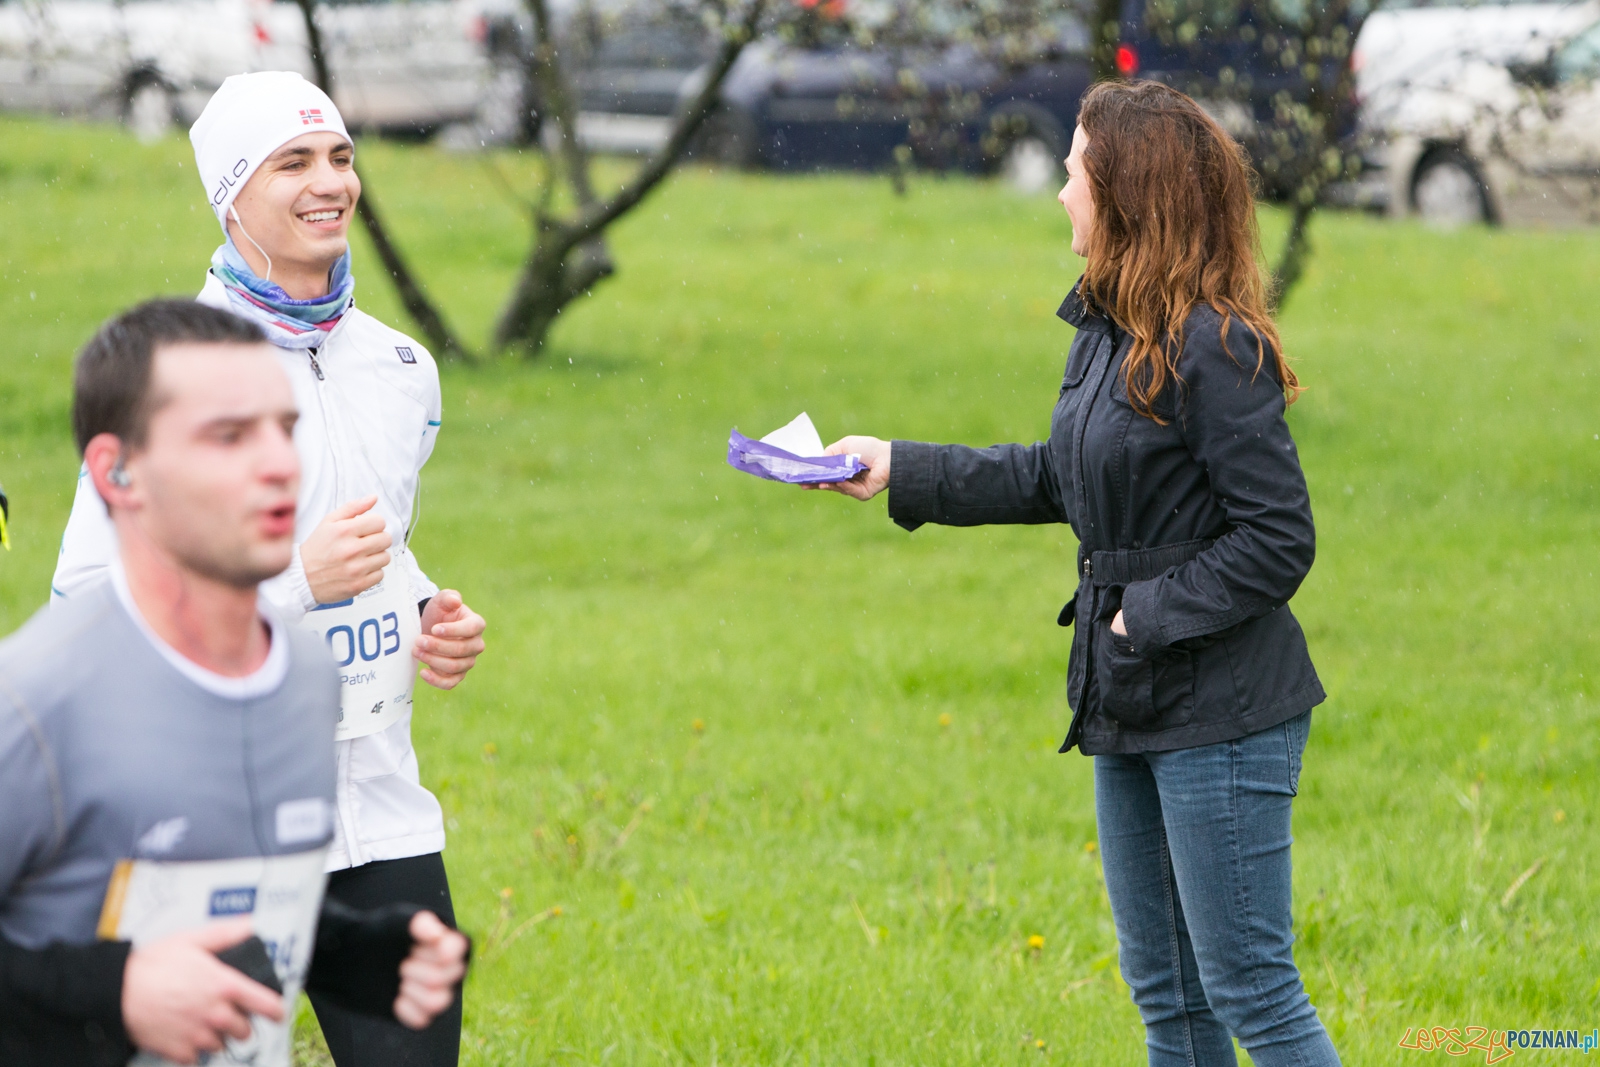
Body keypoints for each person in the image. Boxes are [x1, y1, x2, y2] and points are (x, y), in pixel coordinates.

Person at [810, 80, 1340, 1067]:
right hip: (1128, 691)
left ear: (1125, 192)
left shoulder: (1216, 346)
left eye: (1073, 169)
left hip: (1220, 705)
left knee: (1252, 995)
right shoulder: (1109, 332)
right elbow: (1061, 474)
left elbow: (1278, 539)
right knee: (1171, 1005)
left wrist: (1146, 615)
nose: (1059, 191)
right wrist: (897, 463)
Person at [49, 73, 485, 1065]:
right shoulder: (162, 376)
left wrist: (426, 610)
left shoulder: (401, 369)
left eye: (340, 156)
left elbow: (382, 538)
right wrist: (295, 585)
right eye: (292, 162)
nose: (329, 181)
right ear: (231, 194)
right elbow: (82, 607)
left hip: (378, 810)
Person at [0, 300, 469, 1067]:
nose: (279, 463)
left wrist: (362, 954)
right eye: (228, 435)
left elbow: (237, 902)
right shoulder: (35, 704)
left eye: (283, 428)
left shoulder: (301, 683)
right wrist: (115, 992)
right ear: (118, 472)